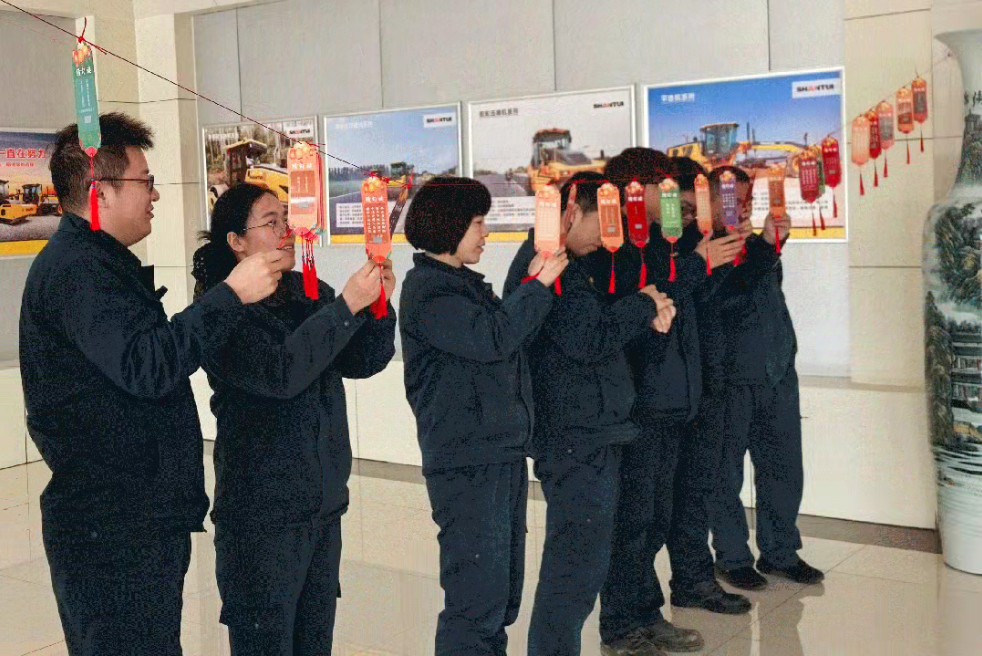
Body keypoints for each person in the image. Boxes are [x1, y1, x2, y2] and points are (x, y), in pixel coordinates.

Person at [19, 113, 287, 655]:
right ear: (100, 192)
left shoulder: (100, 262)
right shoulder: (78, 271)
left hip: (135, 517)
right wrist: (230, 295)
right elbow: (147, 364)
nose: (156, 194)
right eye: (145, 181)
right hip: (110, 527)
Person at [191, 183, 397, 655]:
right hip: (262, 519)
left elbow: (362, 360)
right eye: (271, 222)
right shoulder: (222, 310)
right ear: (236, 241)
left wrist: (377, 305)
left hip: (321, 508)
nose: (287, 231)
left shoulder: (308, 290)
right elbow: (282, 373)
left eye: (287, 219)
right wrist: (346, 307)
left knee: (313, 642)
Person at [502, 172, 675, 656]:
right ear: (573, 209)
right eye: (603, 223)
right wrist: (642, 304)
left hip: (591, 430)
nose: (605, 236)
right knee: (574, 566)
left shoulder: (571, 263)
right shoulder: (549, 264)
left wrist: (646, 311)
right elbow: (587, 339)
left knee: (583, 563)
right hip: (573, 437)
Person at [399, 176, 568, 656]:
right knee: (476, 598)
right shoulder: (429, 292)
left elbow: (502, 335)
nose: (485, 233)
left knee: (500, 594)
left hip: (497, 455)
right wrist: (536, 286)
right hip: (467, 462)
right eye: (478, 223)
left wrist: (533, 285)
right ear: (450, 225)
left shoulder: (461, 286)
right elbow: (493, 338)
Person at [598, 150, 748, 656]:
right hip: (639, 404)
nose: (670, 205)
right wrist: (693, 266)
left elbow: (688, 298)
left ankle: (646, 615)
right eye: (660, 192)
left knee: (655, 520)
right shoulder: (618, 249)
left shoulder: (664, 245)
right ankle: (622, 626)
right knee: (633, 522)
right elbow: (638, 309)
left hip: (673, 399)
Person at [699, 166, 824, 591]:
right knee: (725, 475)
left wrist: (768, 245)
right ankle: (732, 557)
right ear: (710, 202)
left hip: (776, 374)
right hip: (729, 378)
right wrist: (766, 248)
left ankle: (781, 552)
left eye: (748, 200)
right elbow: (728, 295)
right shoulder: (703, 253)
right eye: (732, 200)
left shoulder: (757, 246)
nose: (742, 208)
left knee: (784, 470)